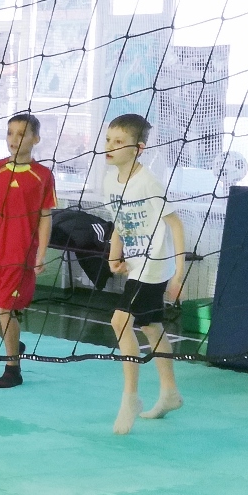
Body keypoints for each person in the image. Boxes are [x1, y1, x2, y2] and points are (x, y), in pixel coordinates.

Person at [100, 114, 188, 434]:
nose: (109, 147)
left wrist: (178, 272)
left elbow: (175, 223)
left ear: (138, 148)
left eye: (118, 142)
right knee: (151, 327)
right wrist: (114, 256)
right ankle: (169, 393)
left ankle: (131, 398)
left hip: (154, 264)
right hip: (136, 262)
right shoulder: (110, 181)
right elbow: (120, 223)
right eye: (108, 140)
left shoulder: (148, 181)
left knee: (120, 320)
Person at [0, 113, 56, 389]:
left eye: (21, 133)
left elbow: (46, 216)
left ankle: (13, 369)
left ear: (35, 139)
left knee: (4, 308)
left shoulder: (42, 175)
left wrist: (41, 253)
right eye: (10, 133)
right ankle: (15, 343)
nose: (13, 139)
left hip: (20, 255)